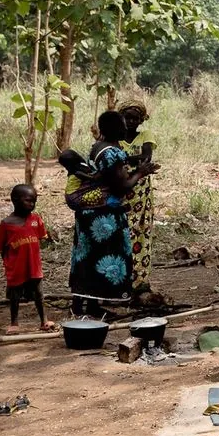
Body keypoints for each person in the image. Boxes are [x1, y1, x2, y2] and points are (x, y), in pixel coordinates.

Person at [70, 111, 158, 316]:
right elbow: (122, 187)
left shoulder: (98, 147)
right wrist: (140, 172)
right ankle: (91, 306)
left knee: (87, 257)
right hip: (104, 215)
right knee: (104, 257)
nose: (126, 127)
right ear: (115, 129)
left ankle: (84, 305)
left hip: (89, 212)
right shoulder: (111, 153)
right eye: (122, 124)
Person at [0, 185, 55, 333]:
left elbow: (40, 238)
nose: (32, 204)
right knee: (15, 295)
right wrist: (10, 264)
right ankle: (14, 323)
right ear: (15, 200)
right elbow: (1, 248)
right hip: (16, 267)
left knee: (39, 294)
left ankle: (44, 321)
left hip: (34, 266)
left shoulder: (36, 219)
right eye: (28, 200)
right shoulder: (7, 224)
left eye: (34, 201)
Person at [119, 101, 157, 298]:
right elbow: (140, 161)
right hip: (122, 191)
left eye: (135, 118)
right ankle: (121, 281)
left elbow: (147, 158)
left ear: (141, 119)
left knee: (141, 233)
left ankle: (139, 280)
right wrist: (135, 162)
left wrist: (123, 159)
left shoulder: (146, 136)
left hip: (141, 194)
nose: (131, 121)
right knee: (123, 235)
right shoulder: (116, 138)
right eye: (128, 117)